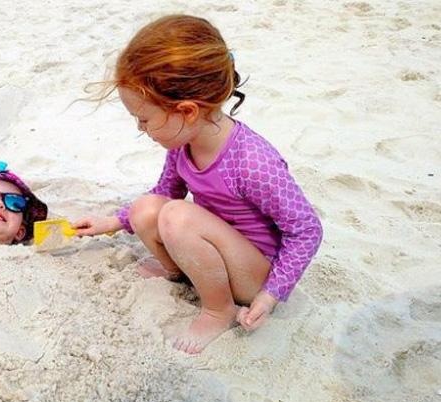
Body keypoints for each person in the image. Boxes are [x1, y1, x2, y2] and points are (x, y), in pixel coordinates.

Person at [73, 15, 323, 354]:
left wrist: (271, 293)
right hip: (214, 253)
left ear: (187, 111)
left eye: (143, 119)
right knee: (147, 208)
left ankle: (218, 309)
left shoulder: (253, 162)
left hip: (255, 273)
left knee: (177, 216)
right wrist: (113, 222)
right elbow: (165, 192)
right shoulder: (183, 142)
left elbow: (306, 230)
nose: (139, 128)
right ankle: (179, 272)